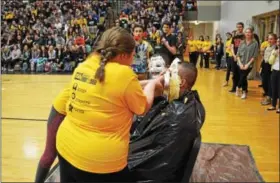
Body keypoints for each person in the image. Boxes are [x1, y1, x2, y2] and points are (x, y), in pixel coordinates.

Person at [34, 27, 164, 183]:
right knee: (48, 156)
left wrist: (150, 82)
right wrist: (153, 85)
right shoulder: (124, 74)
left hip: (66, 146)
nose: (133, 59)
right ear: (123, 55)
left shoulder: (86, 64)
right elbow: (142, 108)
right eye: (133, 55)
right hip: (101, 161)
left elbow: (116, 89)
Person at [236, 27, 259, 99]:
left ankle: (240, 88)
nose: (248, 33)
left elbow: (254, 56)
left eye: (249, 32)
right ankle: (244, 90)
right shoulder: (241, 42)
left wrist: (247, 64)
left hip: (249, 64)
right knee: (243, 77)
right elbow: (238, 54)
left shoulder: (255, 43)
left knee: (243, 77)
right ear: (244, 33)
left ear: (252, 33)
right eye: (246, 32)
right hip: (240, 63)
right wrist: (240, 63)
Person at [261, 33, 277, 105]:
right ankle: (268, 95)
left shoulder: (276, 48)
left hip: (271, 67)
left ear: (275, 40)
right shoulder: (267, 47)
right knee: (264, 83)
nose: (269, 40)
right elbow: (264, 58)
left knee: (269, 83)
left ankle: (269, 98)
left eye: (271, 39)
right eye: (268, 38)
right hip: (265, 66)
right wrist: (261, 67)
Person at [229, 23, 245, 93]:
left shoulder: (244, 36)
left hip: (242, 58)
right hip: (234, 57)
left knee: (241, 73)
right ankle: (234, 87)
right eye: (238, 27)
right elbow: (232, 47)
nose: (239, 28)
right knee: (234, 73)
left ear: (243, 28)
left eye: (240, 27)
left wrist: (238, 56)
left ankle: (241, 87)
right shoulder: (234, 37)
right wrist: (234, 55)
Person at [268, 36, 280, 113]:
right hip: (274, 71)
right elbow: (270, 62)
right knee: (273, 88)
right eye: (278, 42)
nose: (279, 43)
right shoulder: (274, 51)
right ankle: (273, 105)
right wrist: (274, 55)